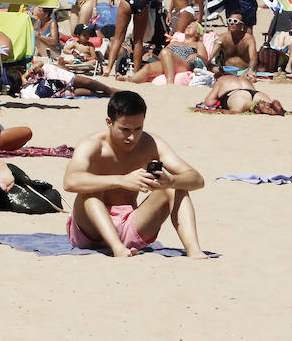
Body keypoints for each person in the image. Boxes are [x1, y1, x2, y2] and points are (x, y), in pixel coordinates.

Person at [62, 90, 205, 257]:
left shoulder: (151, 143)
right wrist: (121, 180)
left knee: (176, 188)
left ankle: (194, 250)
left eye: (138, 129)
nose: (132, 137)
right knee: (89, 190)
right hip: (90, 230)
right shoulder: (92, 145)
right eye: (125, 129)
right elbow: (70, 182)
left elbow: (197, 179)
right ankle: (118, 249)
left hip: (131, 225)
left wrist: (171, 180)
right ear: (109, 122)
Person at [201, 73, 286, 115]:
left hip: (237, 94)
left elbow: (209, 102)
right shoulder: (245, 80)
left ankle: (257, 107)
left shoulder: (222, 80)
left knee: (241, 108)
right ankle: (270, 104)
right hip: (257, 93)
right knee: (266, 103)